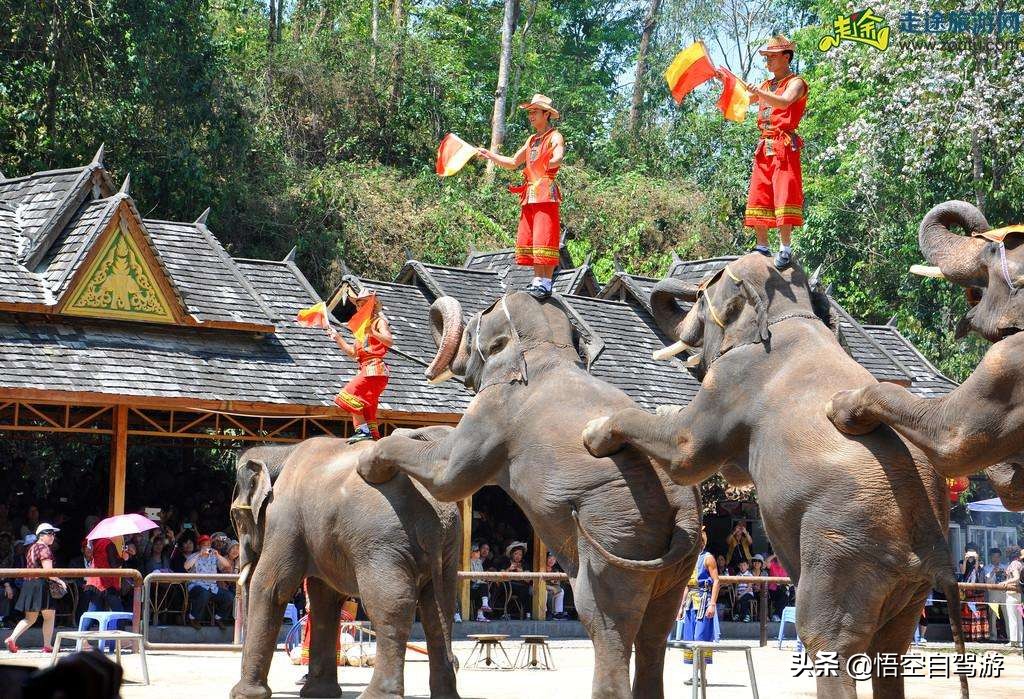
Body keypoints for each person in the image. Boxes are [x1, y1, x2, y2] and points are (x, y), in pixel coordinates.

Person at [720, 35, 808, 269]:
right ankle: (761, 245)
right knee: (759, 194)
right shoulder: (766, 86)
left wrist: (759, 92)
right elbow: (742, 99)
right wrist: (725, 80)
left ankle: (785, 248)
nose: (767, 61)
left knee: (784, 194)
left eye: (772, 57)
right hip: (765, 147)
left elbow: (784, 103)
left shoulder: (796, 83)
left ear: (786, 57)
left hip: (784, 147)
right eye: (766, 57)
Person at [478, 93, 565, 299]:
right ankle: (537, 279)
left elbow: (558, 156)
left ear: (546, 114)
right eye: (530, 113)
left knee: (545, 235)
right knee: (532, 237)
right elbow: (512, 162)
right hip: (530, 194)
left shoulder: (554, 136)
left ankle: (546, 282)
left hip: (546, 193)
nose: (531, 116)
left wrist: (550, 161)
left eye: (535, 112)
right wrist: (489, 154)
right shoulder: (531, 140)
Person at [328, 290, 393, 443]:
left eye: (364, 303)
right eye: (358, 304)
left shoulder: (378, 322)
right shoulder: (360, 329)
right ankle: (371, 436)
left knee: (348, 395)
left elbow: (389, 341)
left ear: (372, 305)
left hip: (375, 369)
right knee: (366, 407)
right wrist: (338, 338)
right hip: (366, 369)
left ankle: (363, 431)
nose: (360, 306)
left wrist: (372, 332)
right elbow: (353, 353)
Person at [5, 524, 60, 653]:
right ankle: (47, 645)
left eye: (53, 534)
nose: (53, 536)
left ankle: (12, 638)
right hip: (41, 585)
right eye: (50, 533)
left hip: (29, 584)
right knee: (49, 615)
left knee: (30, 618)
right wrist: (59, 581)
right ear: (42, 535)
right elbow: (48, 571)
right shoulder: (44, 549)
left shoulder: (32, 547)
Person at [681, 527, 720, 679]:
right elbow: (686, 585)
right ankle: (694, 675)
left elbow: (716, 581)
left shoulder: (708, 558)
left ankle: (702, 676)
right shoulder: (690, 558)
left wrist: (713, 604)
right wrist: (681, 606)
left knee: (701, 638)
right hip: (691, 602)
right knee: (690, 639)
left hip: (704, 601)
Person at [184, 534, 233, 629]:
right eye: (204, 545)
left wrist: (218, 555)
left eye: (208, 545)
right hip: (196, 586)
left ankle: (219, 618)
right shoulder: (194, 555)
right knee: (204, 594)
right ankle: (193, 618)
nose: (207, 547)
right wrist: (199, 554)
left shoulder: (214, 556)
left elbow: (227, 565)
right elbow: (186, 566)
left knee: (229, 597)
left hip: (212, 587)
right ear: (199, 546)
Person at [959, 543, 989, 642]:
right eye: (969, 551)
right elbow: (963, 572)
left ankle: (979, 635)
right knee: (968, 612)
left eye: (973, 551)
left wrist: (976, 559)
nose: (971, 553)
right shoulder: (962, 561)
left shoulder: (979, 561)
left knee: (979, 612)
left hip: (977, 589)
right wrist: (965, 559)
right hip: (967, 589)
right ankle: (968, 635)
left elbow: (976, 571)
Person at [983, 547, 1007, 641]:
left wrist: (1005, 573)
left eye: (998, 557)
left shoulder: (1005, 567)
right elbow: (987, 580)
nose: (996, 559)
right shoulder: (986, 568)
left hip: (1004, 593)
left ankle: (1009, 636)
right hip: (993, 593)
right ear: (990, 557)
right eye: (994, 557)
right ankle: (993, 637)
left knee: (1007, 615)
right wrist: (993, 571)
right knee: (992, 615)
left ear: (1000, 557)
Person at [503, 542, 532, 618]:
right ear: (512, 554)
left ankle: (527, 613)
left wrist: (521, 572)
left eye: (520, 555)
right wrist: (509, 569)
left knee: (526, 589)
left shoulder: (524, 564)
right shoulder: (506, 562)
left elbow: (528, 580)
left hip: (522, 586)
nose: (518, 556)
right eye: (516, 554)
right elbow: (500, 576)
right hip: (508, 586)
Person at [1003, 545, 1022, 648]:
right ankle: (1020, 640)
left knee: (1012, 618)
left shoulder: (1013, 564)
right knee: (1019, 618)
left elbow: (1016, 577)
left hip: (1011, 593)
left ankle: (1013, 640)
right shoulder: (1020, 563)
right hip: (1019, 594)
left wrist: (1006, 581)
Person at [469, 543, 492, 622]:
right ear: (471, 553)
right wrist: (481, 580)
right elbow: (472, 577)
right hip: (470, 586)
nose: (478, 552)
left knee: (482, 588)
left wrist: (483, 579)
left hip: (477, 585)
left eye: (478, 551)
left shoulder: (479, 562)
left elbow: (481, 574)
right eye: (476, 551)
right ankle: (484, 604)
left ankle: (480, 615)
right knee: (483, 586)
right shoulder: (468, 562)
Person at [765, 552, 791, 621]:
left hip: (782, 590)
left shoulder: (786, 568)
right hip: (773, 590)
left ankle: (778, 615)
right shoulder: (773, 565)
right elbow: (766, 562)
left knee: (786, 595)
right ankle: (777, 615)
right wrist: (775, 554)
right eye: (779, 558)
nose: (780, 560)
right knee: (784, 595)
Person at [544, 552, 567, 620]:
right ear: (546, 559)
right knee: (544, 592)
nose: (551, 560)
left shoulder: (555, 570)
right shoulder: (541, 566)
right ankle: (545, 612)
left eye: (554, 559)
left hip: (551, 589)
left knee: (561, 591)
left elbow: (557, 583)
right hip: (541, 587)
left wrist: (556, 580)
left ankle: (557, 612)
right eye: (550, 558)